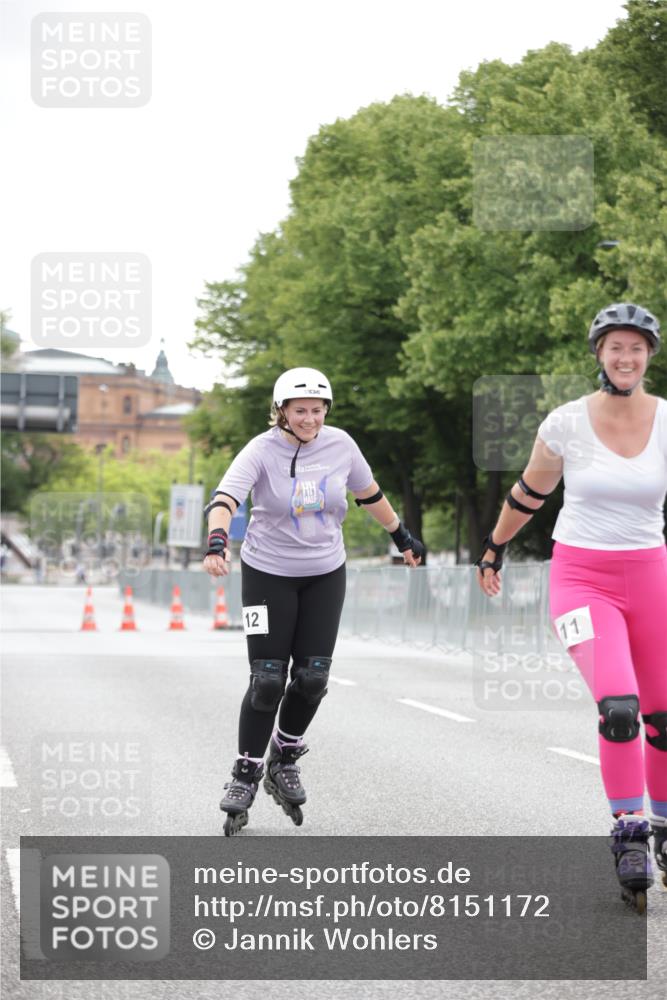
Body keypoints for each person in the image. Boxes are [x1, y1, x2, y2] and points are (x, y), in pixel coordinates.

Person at [475, 303, 667, 913]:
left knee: (664, 720)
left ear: (649, 356)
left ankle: (664, 827)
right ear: (599, 354)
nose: (626, 357)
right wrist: (494, 548)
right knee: (619, 709)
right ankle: (630, 831)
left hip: (651, 576)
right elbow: (530, 491)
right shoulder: (566, 423)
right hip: (583, 579)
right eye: (616, 347)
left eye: (637, 348)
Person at [203, 367, 425, 835]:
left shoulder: (341, 445)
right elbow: (226, 497)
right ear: (281, 412)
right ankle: (244, 773)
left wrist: (402, 536)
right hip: (267, 573)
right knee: (267, 680)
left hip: (325, 572)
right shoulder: (261, 450)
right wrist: (217, 540)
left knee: (312, 677)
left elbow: (370, 494)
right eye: (300, 410)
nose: (309, 419)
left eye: (317, 410)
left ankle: (284, 756)